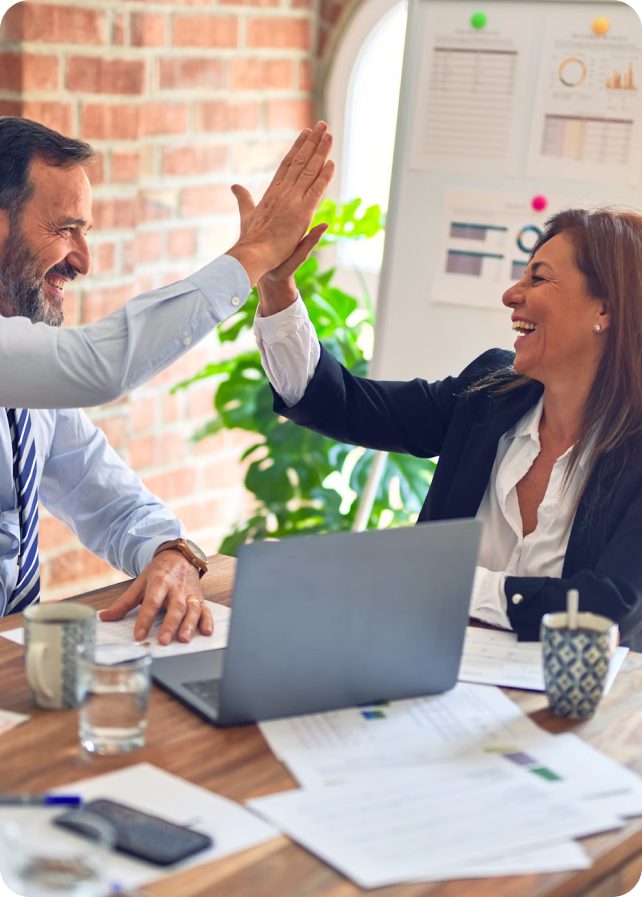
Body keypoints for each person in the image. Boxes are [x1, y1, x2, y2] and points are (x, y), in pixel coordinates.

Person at [0, 116, 333, 643]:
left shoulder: (31, 378)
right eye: (66, 229)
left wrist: (170, 552)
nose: (83, 261)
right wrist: (252, 255)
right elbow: (99, 365)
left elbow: (107, 498)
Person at [254, 206, 642, 650]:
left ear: (605, 309)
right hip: (432, 675)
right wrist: (275, 283)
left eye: (538, 278)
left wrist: (445, 583)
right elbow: (341, 403)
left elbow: (607, 606)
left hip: (574, 709)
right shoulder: (488, 394)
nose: (512, 295)